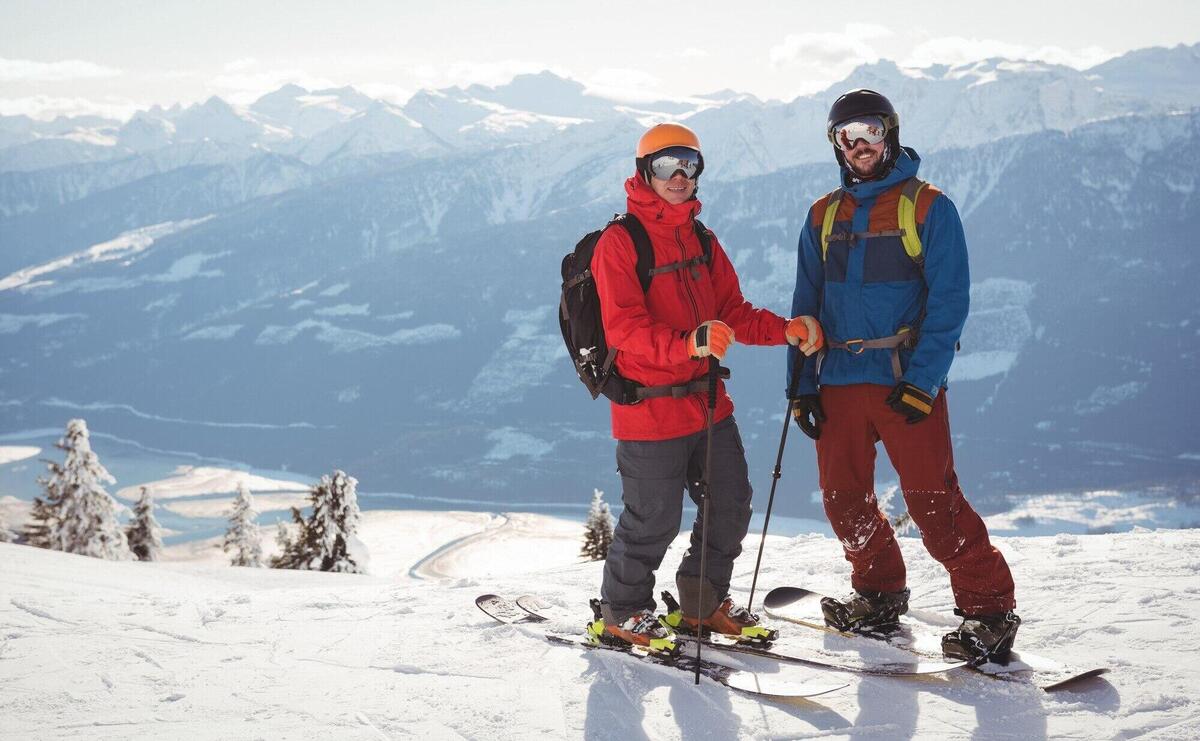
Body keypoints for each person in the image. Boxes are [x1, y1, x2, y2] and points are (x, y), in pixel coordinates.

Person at [787, 89, 1020, 662]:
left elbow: (949, 302)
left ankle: (988, 610)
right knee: (844, 501)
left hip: (902, 381)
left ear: (888, 133)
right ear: (836, 145)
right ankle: (878, 592)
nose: (859, 145)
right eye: (846, 135)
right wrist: (801, 384)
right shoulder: (823, 215)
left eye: (868, 130)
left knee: (932, 502)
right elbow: (804, 308)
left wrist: (924, 379)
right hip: (838, 377)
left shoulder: (928, 208)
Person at [588, 122, 823, 650]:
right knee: (654, 518)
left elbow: (733, 312)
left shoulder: (701, 239)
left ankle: (702, 603)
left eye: (688, 164)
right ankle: (622, 611)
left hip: (707, 405)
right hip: (648, 410)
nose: (679, 175)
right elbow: (622, 329)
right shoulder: (620, 243)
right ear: (645, 172)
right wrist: (687, 343)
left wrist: (784, 329)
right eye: (667, 164)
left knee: (731, 502)